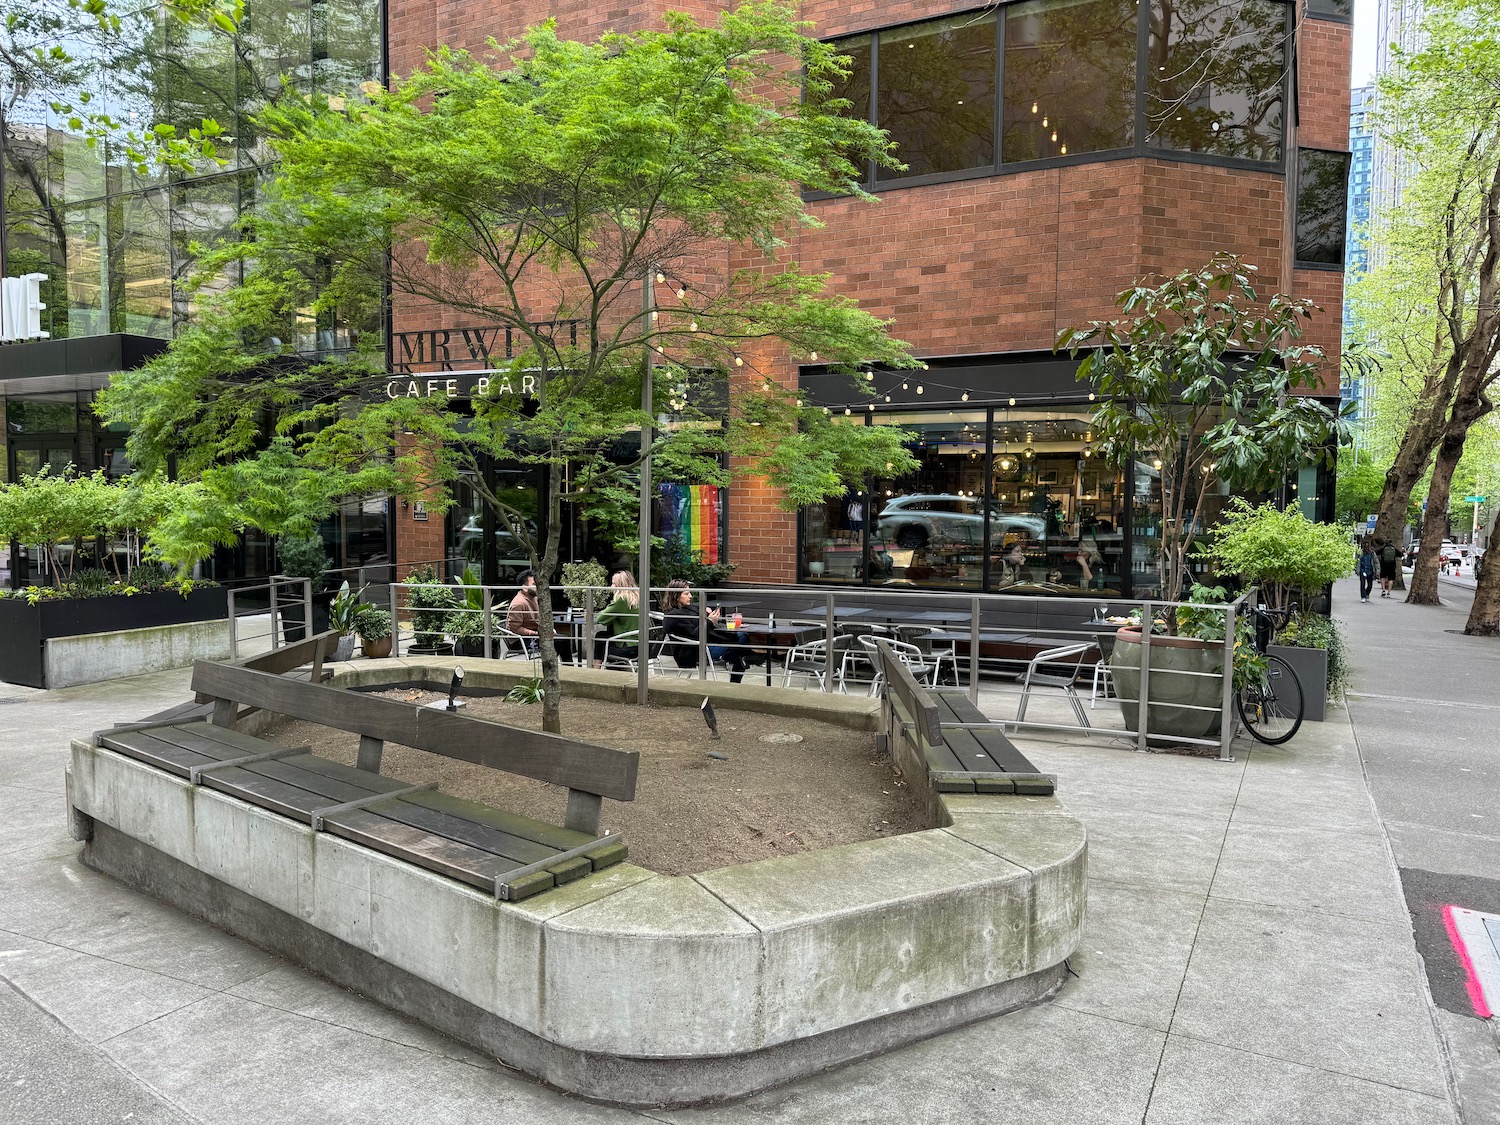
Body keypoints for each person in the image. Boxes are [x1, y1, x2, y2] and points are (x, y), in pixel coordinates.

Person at [661, 578, 749, 683]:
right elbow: (695, 634)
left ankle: (741, 659)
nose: (691, 596)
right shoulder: (673, 616)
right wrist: (710, 621)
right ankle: (740, 663)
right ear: (676, 596)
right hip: (696, 650)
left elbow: (701, 621)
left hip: (708, 641)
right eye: (686, 593)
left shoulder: (688, 609)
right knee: (740, 642)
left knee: (742, 635)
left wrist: (709, 616)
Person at [593, 570, 641, 666]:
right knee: (602, 635)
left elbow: (601, 618)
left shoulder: (621, 599)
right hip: (640, 646)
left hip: (629, 649)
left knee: (601, 641)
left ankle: (595, 669)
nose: (611, 586)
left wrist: (592, 614)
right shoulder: (637, 597)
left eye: (613, 583)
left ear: (620, 585)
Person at [506, 570, 541, 655]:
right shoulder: (519, 603)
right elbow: (514, 628)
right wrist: (535, 634)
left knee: (561, 639)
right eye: (534, 584)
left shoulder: (534, 598)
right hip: (520, 641)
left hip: (533, 636)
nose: (538, 587)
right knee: (560, 641)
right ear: (524, 588)